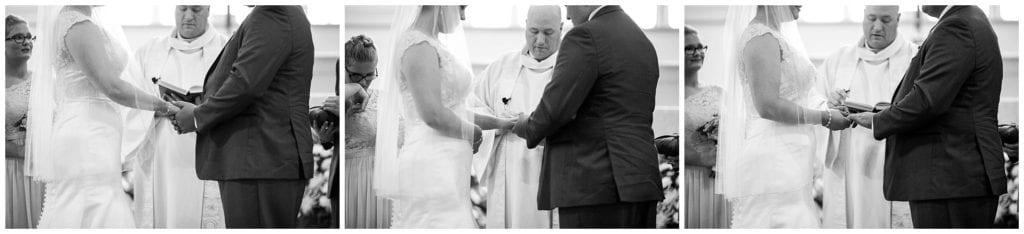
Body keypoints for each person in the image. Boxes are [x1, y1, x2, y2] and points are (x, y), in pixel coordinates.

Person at [847, 5, 1007, 228]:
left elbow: (927, 101)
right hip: (954, 178)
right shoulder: (968, 19)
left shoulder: (957, 26)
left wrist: (877, 121)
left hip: (949, 178)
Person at [26, 5, 180, 228]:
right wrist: (162, 105)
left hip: (89, 126)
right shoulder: (77, 25)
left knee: (91, 199)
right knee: (94, 201)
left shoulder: (76, 21)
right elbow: (112, 86)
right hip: (88, 131)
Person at [510, 5, 663, 228]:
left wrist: (526, 125)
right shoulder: (642, 40)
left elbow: (556, 108)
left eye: (568, 6)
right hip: (641, 180)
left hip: (595, 184)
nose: (569, 15)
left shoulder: (585, 36)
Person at [372, 5, 516, 228]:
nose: (463, 16)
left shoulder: (431, 44)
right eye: (461, 7)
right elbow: (432, 115)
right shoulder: (417, 46)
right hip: (432, 162)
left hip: (447, 163)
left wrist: (500, 123)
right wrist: (472, 132)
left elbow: (454, 112)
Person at [170, 5, 314, 228]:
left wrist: (198, 117)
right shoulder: (286, 12)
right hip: (264, 160)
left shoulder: (272, 12)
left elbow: (245, 84)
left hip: (259, 159)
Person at [716, 5, 853, 228]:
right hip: (774, 155)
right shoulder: (760, 38)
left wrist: (828, 107)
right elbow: (768, 106)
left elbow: (796, 97)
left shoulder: (776, 35)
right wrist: (824, 118)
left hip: (791, 154)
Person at [816, 5, 916, 229]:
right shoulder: (838, 59)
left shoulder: (914, 57)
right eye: (871, 18)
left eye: (886, 20)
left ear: (898, 19)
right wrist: (829, 105)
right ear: (863, 18)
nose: (877, 27)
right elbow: (816, 105)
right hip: (849, 164)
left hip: (894, 162)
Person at [130, 5, 227, 228]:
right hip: (161, 153)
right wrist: (157, 106)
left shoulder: (225, 48)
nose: (189, 17)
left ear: (209, 10)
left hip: (207, 147)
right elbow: (129, 102)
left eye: (196, 9)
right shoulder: (149, 51)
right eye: (183, 9)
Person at [474, 5, 560, 229]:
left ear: (561, 28)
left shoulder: (569, 70)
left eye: (548, 32)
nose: (540, 41)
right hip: (507, 170)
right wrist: (498, 123)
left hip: (549, 170)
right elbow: (473, 106)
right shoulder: (502, 66)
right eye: (533, 31)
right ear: (525, 27)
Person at [681, 25, 729, 228]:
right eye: (690, 48)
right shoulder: (679, 96)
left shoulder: (719, 92)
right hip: (692, 179)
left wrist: (724, 158)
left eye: (701, 47)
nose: (698, 52)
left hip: (721, 179)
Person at [343, 35, 391, 228]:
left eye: (370, 75)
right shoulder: (340, 96)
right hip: (353, 183)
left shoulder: (384, 99)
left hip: (382, 184)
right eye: (356, 75)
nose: (363, 82)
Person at [5, 14, 44, 229]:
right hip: (11, 173)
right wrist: (21, 152)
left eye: (29, 37)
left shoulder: (45, 81)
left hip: (42, 170)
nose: (27, 42)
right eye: (18, 37)